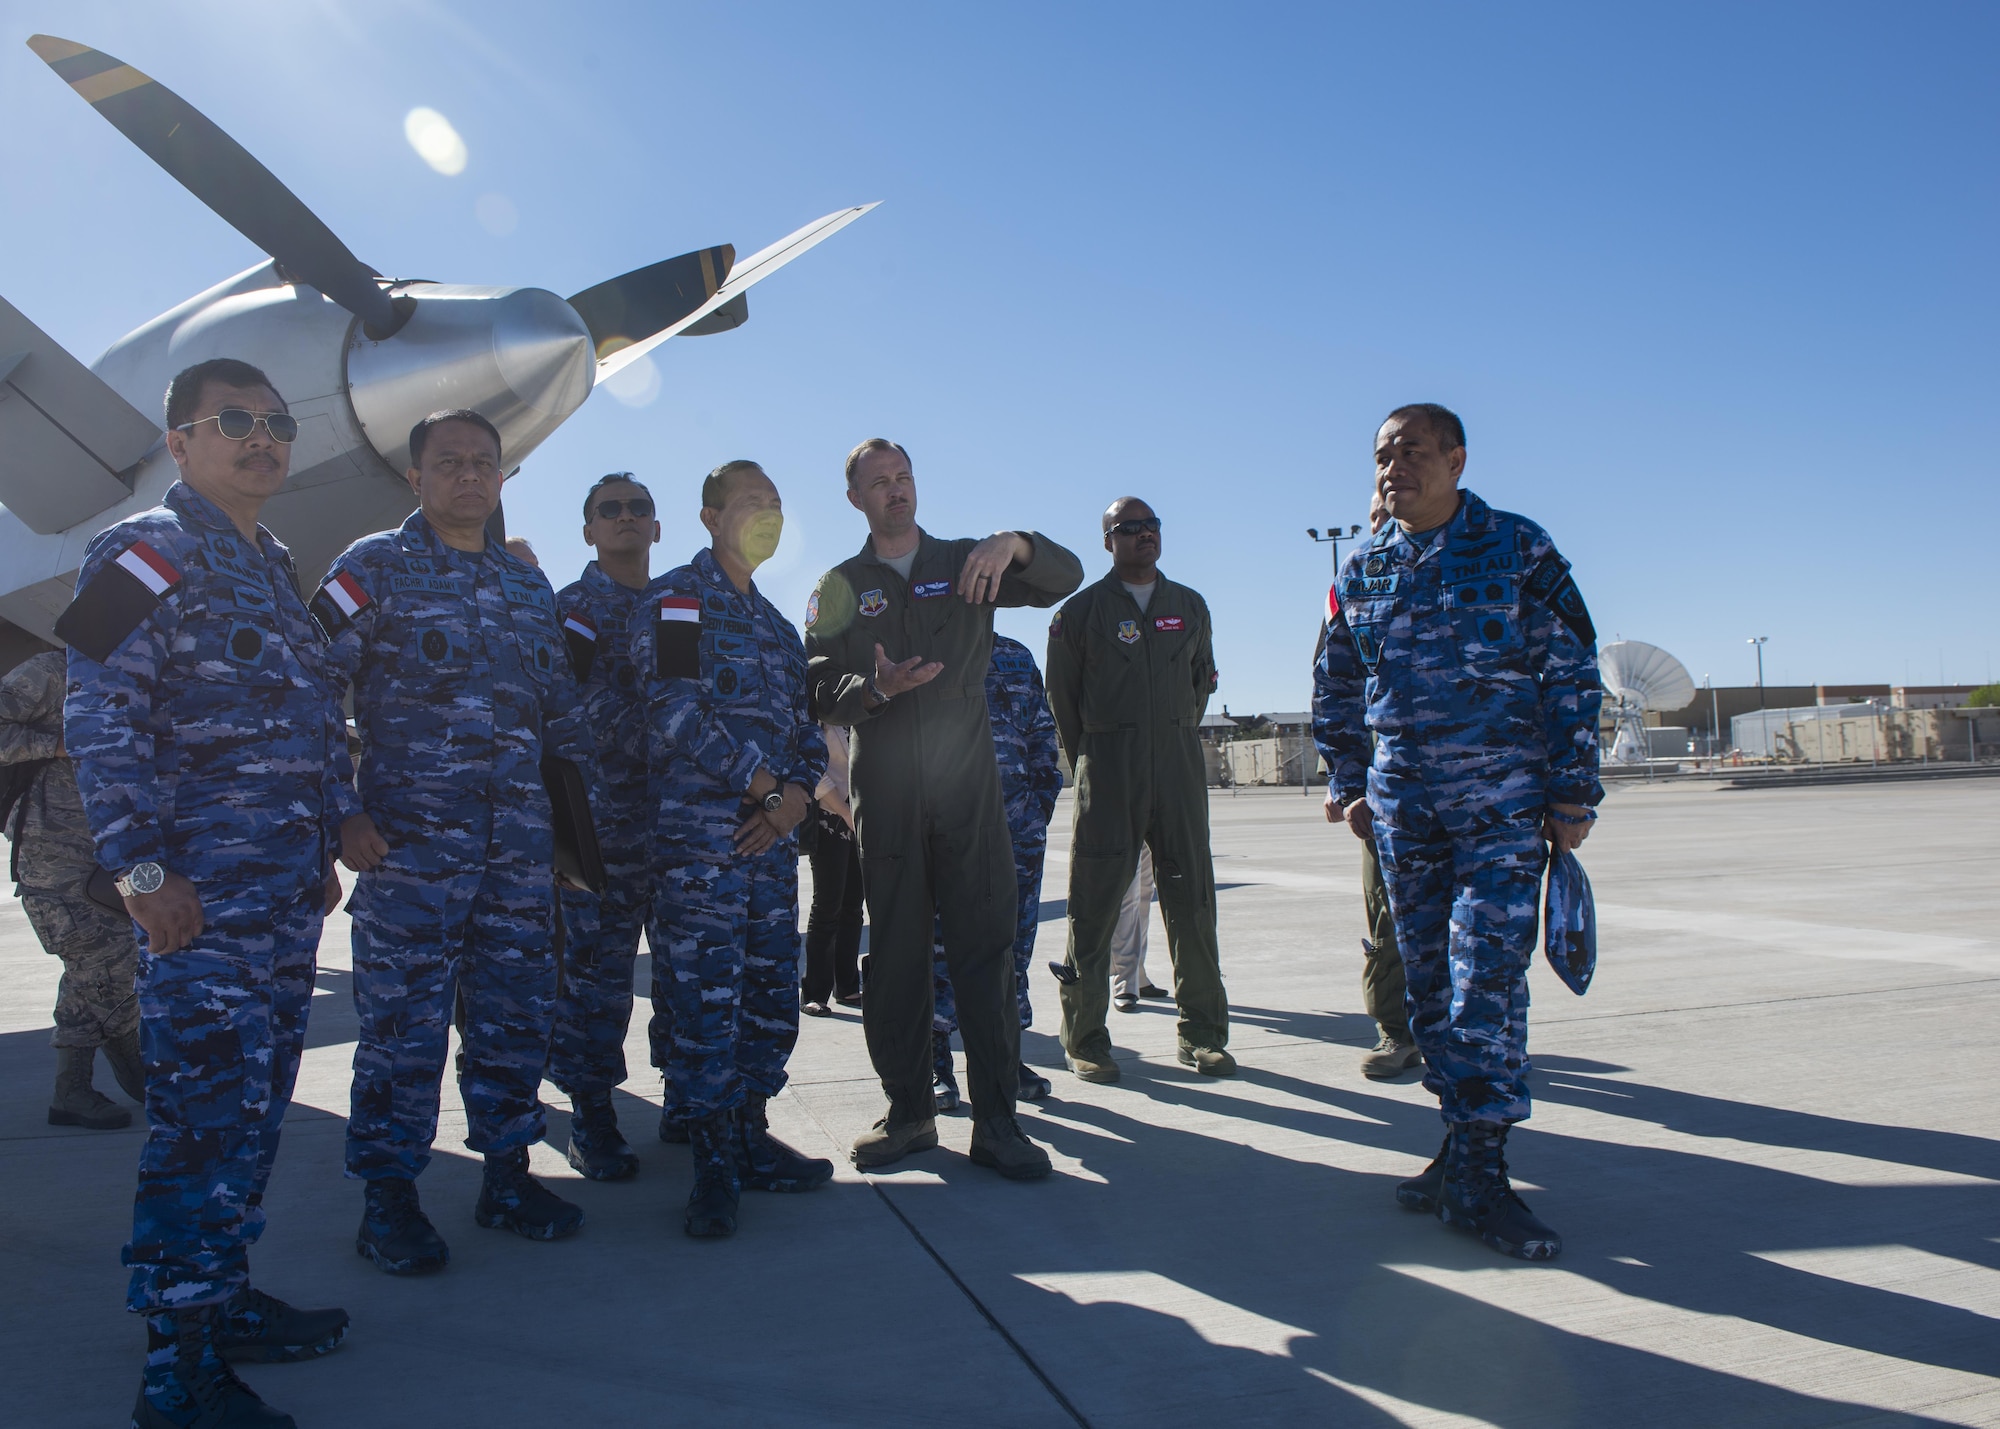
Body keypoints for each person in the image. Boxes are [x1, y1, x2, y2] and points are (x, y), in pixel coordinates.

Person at [60, 357, 349, 1428]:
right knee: (200, 1129)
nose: (263, 437)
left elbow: (308, 723)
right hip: (195, 908)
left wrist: (317, 844)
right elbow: (94, 713)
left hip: (278, 905)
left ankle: (222, 1300)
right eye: (235, 420)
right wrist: (140, 873)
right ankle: (175, 1372)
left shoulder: (273, 563)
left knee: (254, 1120)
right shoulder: (143, 549)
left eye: (276, 421)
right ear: (180, 441)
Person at [1315, 402, 1602, 1262]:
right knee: (1432, 990)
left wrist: (1572, 792)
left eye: (1411, 451)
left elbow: (1572, 673)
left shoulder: (1519, 547)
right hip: (1407, 818)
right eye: (1381, 455)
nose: (1392, 467)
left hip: (1502, 811)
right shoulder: (1362, 567)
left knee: (1486, 981)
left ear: (1457, 458)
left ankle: (1481, 1167)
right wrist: (1349, 783)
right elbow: (1335, 684)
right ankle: (1458, 1148)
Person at [316, 408, 596, 1277]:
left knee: (515, 1018)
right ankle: (388, 1200)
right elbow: (308, 685)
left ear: (503, 478)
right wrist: (339, 811)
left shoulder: (525, 590)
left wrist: (570, 835)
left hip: (516, 856)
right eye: (450, 463)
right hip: (408, 857)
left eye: (485, 463)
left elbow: (558, 718)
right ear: (415, 477)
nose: (469, 476)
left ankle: (506, 1176)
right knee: (403, 1034)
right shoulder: (372, 566)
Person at [805, 438, 1081, 1179]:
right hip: (889, 798)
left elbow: (1065, 575)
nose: (896, 491)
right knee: (895, 959)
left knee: (986, 953)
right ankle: (908, 1114)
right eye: (879, 482)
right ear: (855, 498)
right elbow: (817, 685)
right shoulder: (840, 583)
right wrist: (877, 689)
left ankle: (997, 1122)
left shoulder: (969, 563)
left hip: (969, 794)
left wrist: (1015, 541)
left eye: (904, 478)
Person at [632, 460, 830, 1237]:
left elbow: (809, 739)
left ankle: (750, 1132)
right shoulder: (679, 599)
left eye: (777, 504)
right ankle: (712, 1162)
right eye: (752, 502)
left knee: (771, 996)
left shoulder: (781, 631)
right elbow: (672, 709)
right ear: (712, 516)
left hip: (771, 852)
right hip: (699, 852)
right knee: (703, 1003)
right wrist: (765, 788)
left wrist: (795, 802)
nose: (767, 515)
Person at [1046, 497, 1230, 1082]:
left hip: (1176, 767)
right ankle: (1086, 1039)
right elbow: (1063, 700)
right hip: (1109, 767)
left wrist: (1168, 733)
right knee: (1094, 907)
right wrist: (1096, 756)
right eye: (1129, 528)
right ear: (1108, 540)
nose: (1144, 535)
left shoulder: (1189, 605)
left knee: (1193, 903)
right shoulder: (1080, 614)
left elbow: (1201, 684)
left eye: (1152, 526)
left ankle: (1202, 1035)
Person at [549, 473, 662, 1177]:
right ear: (588, 530)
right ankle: (591, 1115)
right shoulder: (574, 613)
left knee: (686, 976)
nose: (626, 517)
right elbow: (577, 708)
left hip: (679, 832)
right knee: (597, 980)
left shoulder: (682, 606)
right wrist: (687, 739)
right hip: (601, 833)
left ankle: (692, 1102)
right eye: (609, 510)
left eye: (639, 509)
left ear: (658, 527)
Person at [2, 648, 143, 1129]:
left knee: (115, 967)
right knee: (99, 966)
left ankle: (118, 1077)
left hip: (114, 853)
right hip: (56, 858)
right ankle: (77, 1089)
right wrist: (58, 743)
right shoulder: (49, 673)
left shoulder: (143, 675)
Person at [928, 634, 1064, 1110]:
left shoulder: (1016, 655)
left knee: (1013, 948)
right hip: (951, 831)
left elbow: (1044, 736)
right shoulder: (928, 649)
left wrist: (1036, 808)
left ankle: (1005, 1058)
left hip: (1018, 831)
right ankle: (934, 1060)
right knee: (940, 948)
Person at [1316, 484, 1420, 1079]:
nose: (1387, 525)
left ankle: (1475, 1034)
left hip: (1473, 785)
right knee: (1388, 912)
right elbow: (1332, 686)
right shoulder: (1354, 585)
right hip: (1387, 785)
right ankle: (1395, 1031)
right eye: (1377, 518)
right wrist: (1345, 781)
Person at [801, 721, 864, 1016]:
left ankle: (848, 986)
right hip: (830, 818)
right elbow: (815, 775)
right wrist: (845, 812)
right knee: (828, 906)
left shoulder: (861, 713)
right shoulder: (821, 716)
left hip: (861, 819)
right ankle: (815, 992)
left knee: (853, 906)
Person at [1108, 848, 1168, 1013]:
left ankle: (1137, 975)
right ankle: (1124, 982)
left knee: (1144, 892)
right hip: (1123, 824)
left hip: (1151, 823)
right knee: (1127, 895)